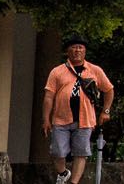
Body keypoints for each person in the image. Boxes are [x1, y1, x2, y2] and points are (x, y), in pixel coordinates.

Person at [42, 36, 114, 184]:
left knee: (81, 152)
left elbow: (109, 89)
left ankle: (74, 182)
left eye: (80, 48)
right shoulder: (57, 71)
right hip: (61, 118)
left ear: (85, 51)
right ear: (68, 51)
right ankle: (62, 172)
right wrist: (45, 119)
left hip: (85, 118)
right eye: (74, 47)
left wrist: (106, 111)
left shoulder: (94, 70)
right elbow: (49, 96)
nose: (77, 50)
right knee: (58, 151)